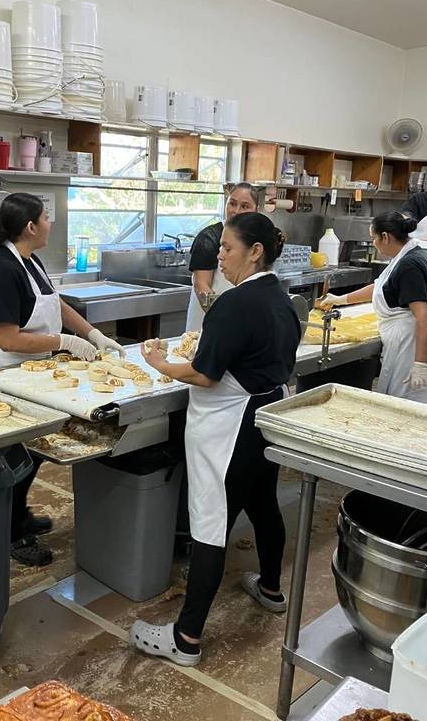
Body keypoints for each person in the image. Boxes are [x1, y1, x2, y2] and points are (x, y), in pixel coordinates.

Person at [130, 212, 301, 667]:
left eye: (227, 248)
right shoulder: (281, 297)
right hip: (266, 418)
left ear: (255, 251)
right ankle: (271, 588)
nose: (219, 256)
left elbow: (205, 374)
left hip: (230, 428)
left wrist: (160, 364)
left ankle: (185, 638)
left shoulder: (234, 303)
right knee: (263, 502)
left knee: (210, 523)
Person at [0, 191, 125, 567]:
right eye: (46, 218)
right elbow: (9, 339)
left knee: (34, 452)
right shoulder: (1, 270)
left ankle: (18, 515)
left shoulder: (29, 260)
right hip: (4, 373)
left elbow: (55, 303)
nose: (50, 224)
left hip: (31, 372)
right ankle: (11, 534)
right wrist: (64, 342)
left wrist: (92, 334)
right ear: (30, 226)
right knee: (15, 457)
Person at [319, 212, 427, 396]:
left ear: (385, 237)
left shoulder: (410, 265)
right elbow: (380, 287)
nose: (374, 243)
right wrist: (339, 300)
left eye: (373, 238)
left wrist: (420, 364)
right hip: (403, 340)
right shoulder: (404, 255)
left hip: (410, 344)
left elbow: (423, 316)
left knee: (403, 401)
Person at [185, 182, 260, 332]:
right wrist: (221, 318)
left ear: (256, 210)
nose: (236, 211)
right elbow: (201, 285)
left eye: (245, 206)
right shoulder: (208, 238)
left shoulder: (257, 241)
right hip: (207, 324)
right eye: (232, 203)